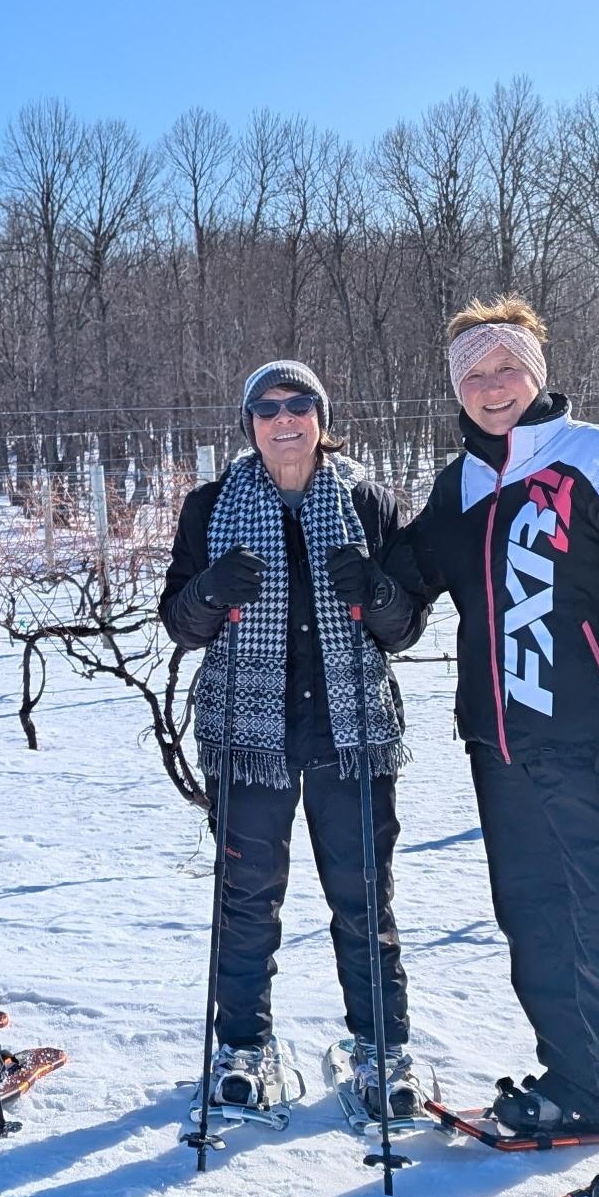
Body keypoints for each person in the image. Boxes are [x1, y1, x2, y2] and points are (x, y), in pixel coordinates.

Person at [384, 294, 599, 1197]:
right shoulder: (459, 487)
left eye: (506, 367)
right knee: (537, 930)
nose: (491, 387)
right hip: (503, 751)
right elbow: (406, 583)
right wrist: (352, 571)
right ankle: (582, 1086)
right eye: (473, 374)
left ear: (537, 370)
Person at [159, 361, 427, 1126]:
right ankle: (242, 1049)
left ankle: (384, 1052)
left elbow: (404, 629)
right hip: (252, 736)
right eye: (268, 408)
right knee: (247, 901)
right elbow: (180, 623)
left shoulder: (371, 502)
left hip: (352, 735)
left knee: (363, 896)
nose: (285, 420)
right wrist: (210, 592)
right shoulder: (211, 506)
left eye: (299, 405)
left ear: (321, 415)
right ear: (248, 423)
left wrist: (373, 590)